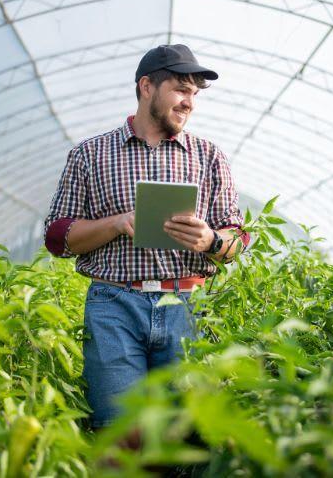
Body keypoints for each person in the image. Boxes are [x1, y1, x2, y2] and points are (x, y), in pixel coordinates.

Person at [42, 44, 249, 430]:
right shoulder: (91, 154)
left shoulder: (209, 157)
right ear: (146, 87)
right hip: (113, 304)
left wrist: (211, 241)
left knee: (184, 433)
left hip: (185, 304)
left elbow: (237, 237)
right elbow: (56, 237)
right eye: (181, 89)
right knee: (121, 431)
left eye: (194, 94)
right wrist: (116, 224)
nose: (189, 102)